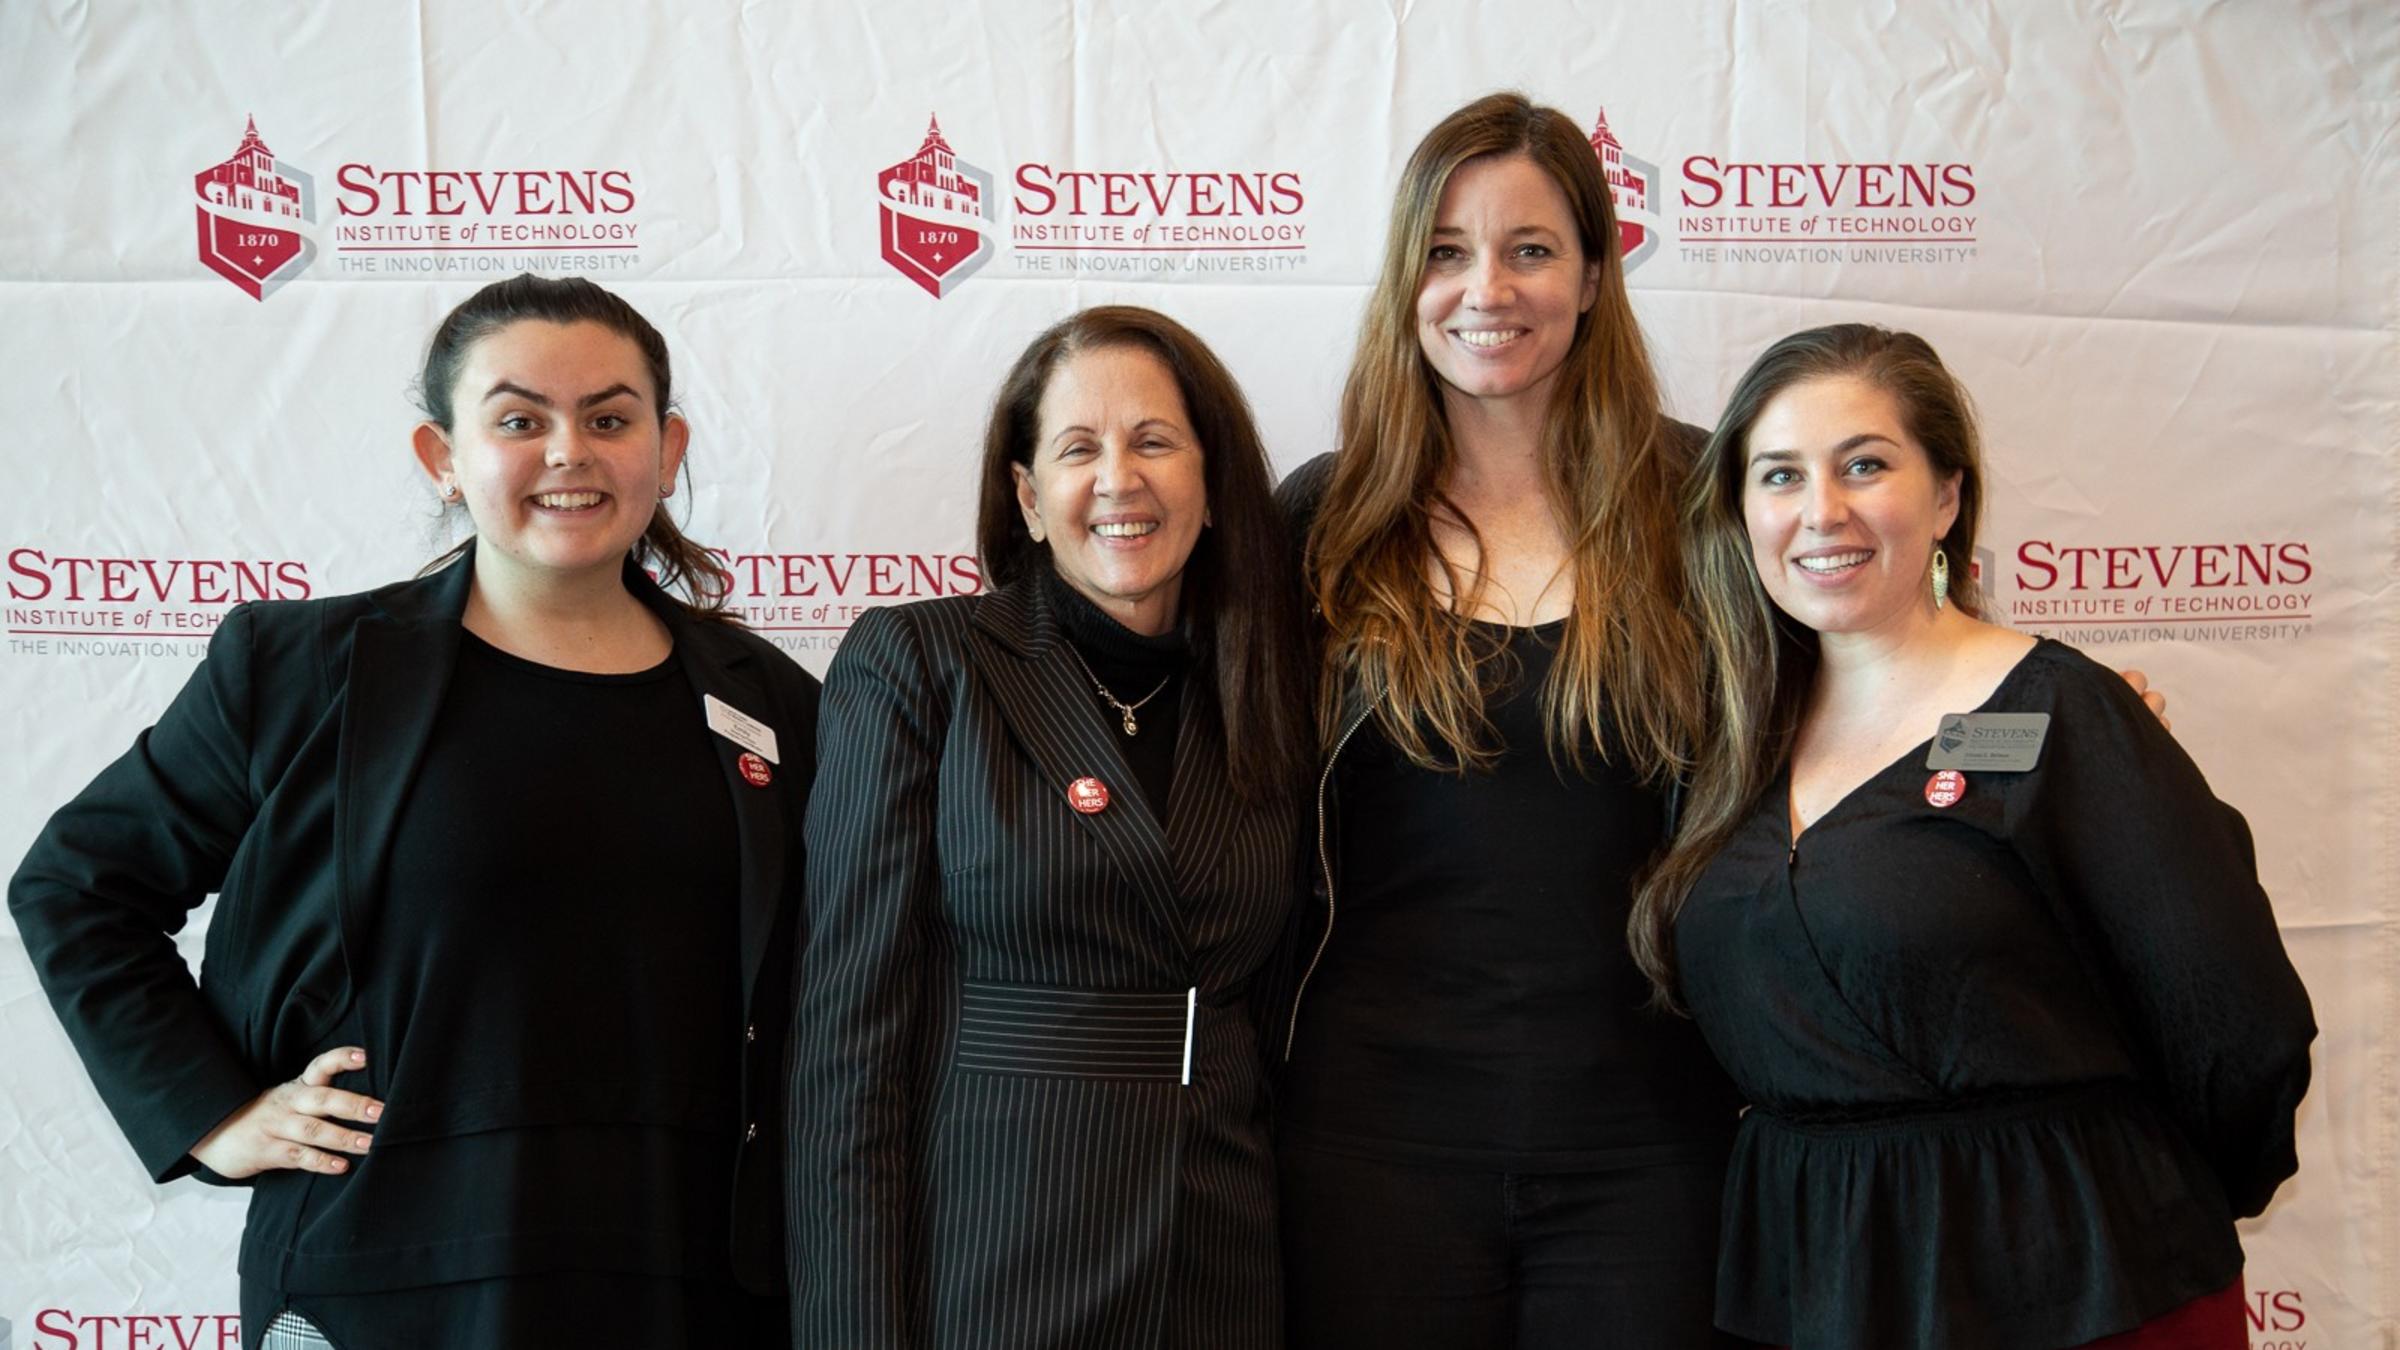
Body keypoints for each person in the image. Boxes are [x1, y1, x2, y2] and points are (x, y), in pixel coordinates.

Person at [7, 274, 819, 1348]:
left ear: (666, 453)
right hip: (380, 1275)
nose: (568, 450)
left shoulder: (775, 704)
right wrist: (212, 1113)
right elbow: (77, 885)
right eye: (519, 420)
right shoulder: (299, 673)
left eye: (609, 418)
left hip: (690, 1283)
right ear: (443, 458)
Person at [1634, 323, 2314, 1350]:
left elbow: (2234, 1018)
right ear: (1739, 512)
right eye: (1780, 475)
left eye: (1865, 464)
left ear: (1947, 497)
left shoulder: (2040, 713)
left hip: (2075, 1275)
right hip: (1819, 1280)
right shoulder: (1732, 747)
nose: (1822, 511)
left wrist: (2132, 1185)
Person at [1273, 92, 1746, 1349]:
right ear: (1404, 280)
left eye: (1531, 248)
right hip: (1371, 1137)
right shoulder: (1322, 521)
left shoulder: (1702, 504)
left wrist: (2010, 707)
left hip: (1650, 1137)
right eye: (1446, 250)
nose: (1488, 287)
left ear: (1595, 271)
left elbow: (1853, 689)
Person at [788, 305, 1310, 1350]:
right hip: (995, 1249)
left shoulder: (1268, 687)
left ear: (1210, 486)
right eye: (1078, 449)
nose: (1119, 479)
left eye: (1155, 441)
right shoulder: (920, 665)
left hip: (1220, 1254)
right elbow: (849, 1048)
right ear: (1027, 498)